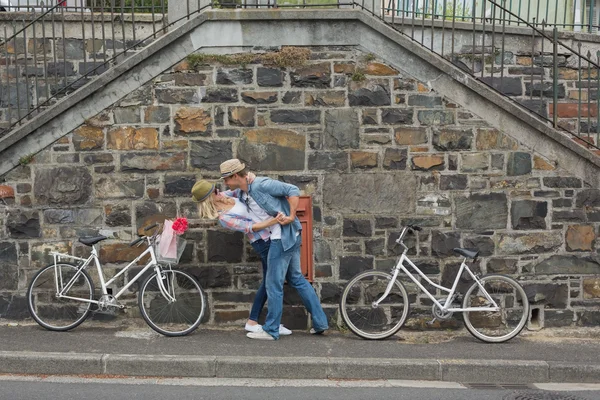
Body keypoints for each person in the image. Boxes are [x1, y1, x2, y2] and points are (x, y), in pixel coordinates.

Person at [219, 159, 329, 341]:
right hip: (290, 235)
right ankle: (320, 323)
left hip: (282, 236)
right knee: (297, 279)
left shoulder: (261, 184)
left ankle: (271, 329)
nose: (225, 183)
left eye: (226, 179)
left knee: (273, 284)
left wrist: (292, 215)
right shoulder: (242, 191)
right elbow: (222, 195)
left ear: (236, 176)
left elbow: (292, 190)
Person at [191, 179, 292, 336]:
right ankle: (262, 322)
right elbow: (251, 227)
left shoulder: (225, 195)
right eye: (214, 192)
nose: (219, 191)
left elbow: (242, 188)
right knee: (271, 281)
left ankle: (261, 321)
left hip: (270, 236)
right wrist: (273, 220)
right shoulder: (224, 217)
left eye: (216, 188)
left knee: (270, 281)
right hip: (262, 242)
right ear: (209, 199)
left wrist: (250, 178)